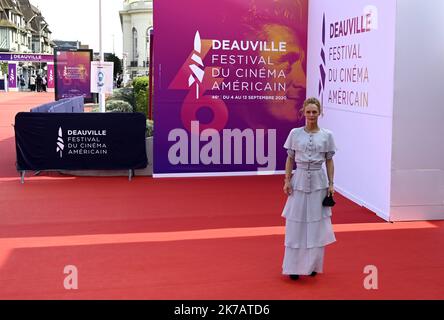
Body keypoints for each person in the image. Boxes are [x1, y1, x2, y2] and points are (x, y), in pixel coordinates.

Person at [281, 97, 337, 280]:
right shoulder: (295, 133)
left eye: (314, 112)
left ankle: (312, 265)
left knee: (316, 224)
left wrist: (331, 184)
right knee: (295, 223)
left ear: (319, 113)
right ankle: (293, 267)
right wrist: (287, 180)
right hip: (299, 181)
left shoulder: (327, 135)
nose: (311, 115)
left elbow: (329, 160)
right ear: (303, 113)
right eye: (308, 112)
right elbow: (290, 158)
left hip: (319, 183)